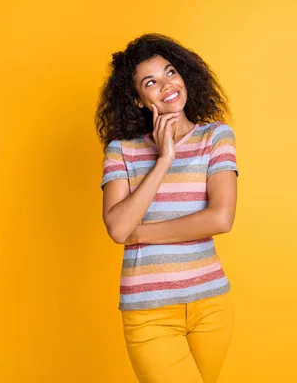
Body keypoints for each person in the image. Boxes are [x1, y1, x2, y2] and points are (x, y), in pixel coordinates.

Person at [95, 33, 238, 383]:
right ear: (138, 100)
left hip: (211, 304)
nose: (166, 85)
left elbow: (220, 218)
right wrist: (164, 160)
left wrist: (140, 233)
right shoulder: (121, 150)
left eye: (170, 72)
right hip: (149, 310)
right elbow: (116, 228)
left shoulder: (216, 137)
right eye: (151, 82)